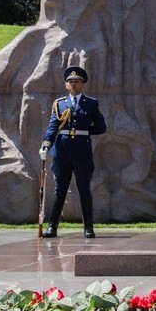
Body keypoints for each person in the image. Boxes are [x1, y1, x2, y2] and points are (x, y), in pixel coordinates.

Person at [39, 66, 107, 238]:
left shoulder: (91, 103)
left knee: (84, 188)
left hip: (82, 152)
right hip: (62, 151)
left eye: (77, 82)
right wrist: (46, 143)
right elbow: (53, 126)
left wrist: (83, 132)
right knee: (60, 189)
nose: (74, 84)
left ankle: (88, 228)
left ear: (82, 84)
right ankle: (52, 227)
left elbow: (101, 127)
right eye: (70, 81)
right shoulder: (59, 104)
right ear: (66, 85)